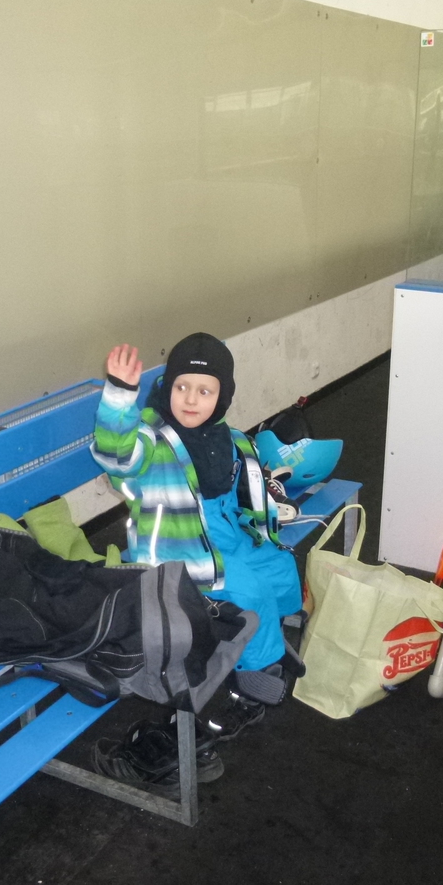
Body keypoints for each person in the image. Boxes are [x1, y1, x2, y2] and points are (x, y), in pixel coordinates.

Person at [88, 333, 303, 790]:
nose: (191, 399)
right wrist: (120, 396)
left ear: (221, 397)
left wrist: (261, 520)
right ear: (168, 387)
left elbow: (241, 485)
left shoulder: (225, 435)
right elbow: (116, 454)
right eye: (182, 387)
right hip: (179, 546)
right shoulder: (151, 438)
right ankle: (255, 676)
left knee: (279, 569)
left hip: (223, 529)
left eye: (205, 391)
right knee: (249, 591)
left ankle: (272, 640)